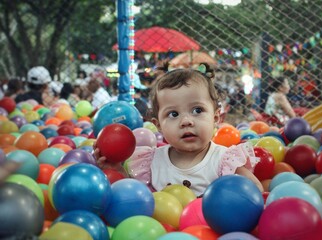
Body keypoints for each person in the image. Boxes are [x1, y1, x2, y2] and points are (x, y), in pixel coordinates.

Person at [95, 62, 263, 197]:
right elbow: (133, 196)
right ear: (158, 124)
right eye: (173, 114)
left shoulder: (225, 161)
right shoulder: (150, 163)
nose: (186, 121)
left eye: (197, 110)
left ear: (215, 117)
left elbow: (254, 191)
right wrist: (116, 171)